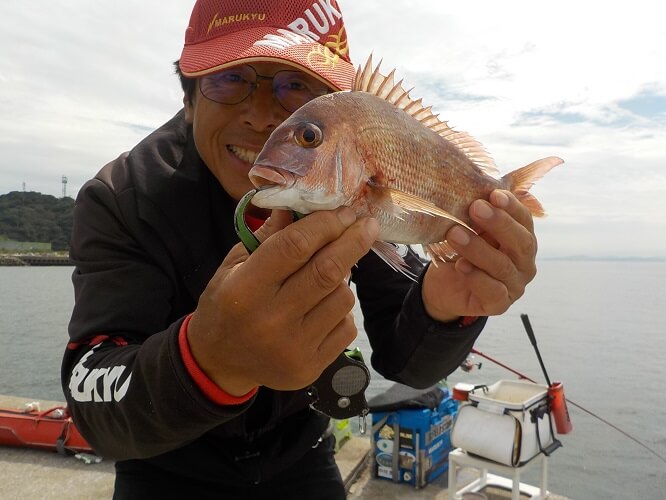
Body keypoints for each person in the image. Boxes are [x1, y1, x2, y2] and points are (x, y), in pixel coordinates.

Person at [62, 1, 539, 498]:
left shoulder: (348, 186)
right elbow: (93, 397)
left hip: (301, 455)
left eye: (296, 86)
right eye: (229, 79)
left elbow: (405, 361)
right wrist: (209, 359)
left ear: (337, 109)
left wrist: (444, 310)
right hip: (163, 469)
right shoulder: (122, 198)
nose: (263, 114)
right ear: (188, 97)